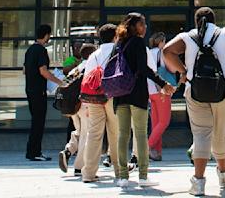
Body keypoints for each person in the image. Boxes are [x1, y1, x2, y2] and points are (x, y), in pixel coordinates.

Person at [163, 7, 225, 196]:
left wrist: (184, 71)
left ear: (196, 21)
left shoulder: (188, 37)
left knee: (201, 135)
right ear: (214, 20)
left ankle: (199, 182)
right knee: (220, 133)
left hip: (194, 91)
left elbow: (167, 51)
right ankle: (222, 172)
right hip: (222, 90)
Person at [112, 13, 174, 190]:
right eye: (142, 24)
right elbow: (143, 68)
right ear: (134, 26)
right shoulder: (138, 42)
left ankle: (123, 176)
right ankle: (143, 175)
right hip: (137, 92)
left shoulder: (120, 43)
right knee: (140, 133)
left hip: (120, 93)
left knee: (123, 134)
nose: (145, 27)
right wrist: (163, 84)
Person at [78, 24, 120, 183]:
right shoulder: (119, 52)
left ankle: (88, 173)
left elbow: (87, 77)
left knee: (93, 134)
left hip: (94, 98)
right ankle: (118, 170)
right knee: (116, 134)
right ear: (115, 36)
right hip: (113, 96)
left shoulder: (93, 55)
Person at [23, 24, 63, 162]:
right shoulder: (41, 50)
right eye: (49, 35)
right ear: (46, 35)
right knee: (38, 123)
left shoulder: (30, 50)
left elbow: (24, 70)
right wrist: (59, 82)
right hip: (39, 91)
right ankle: (35, 152)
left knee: (35, 121)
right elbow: (43, 71)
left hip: (29, 90)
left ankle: (31, 151)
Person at [60, 42, 97, 175]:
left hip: (72, 106)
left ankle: (68, 151)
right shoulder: (91, 66)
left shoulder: (77, 67)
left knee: (80, 131)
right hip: (84, 105)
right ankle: (79, 167)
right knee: (86, 135)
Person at [146, 32, 172, 162]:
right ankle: (146, 148)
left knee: (156, 123)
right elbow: (168, 68)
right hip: (161, 89)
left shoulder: (148, 52)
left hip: (150, 90)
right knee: (164, 122)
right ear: (161, 42)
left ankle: (156, 152)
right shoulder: (161, 53)